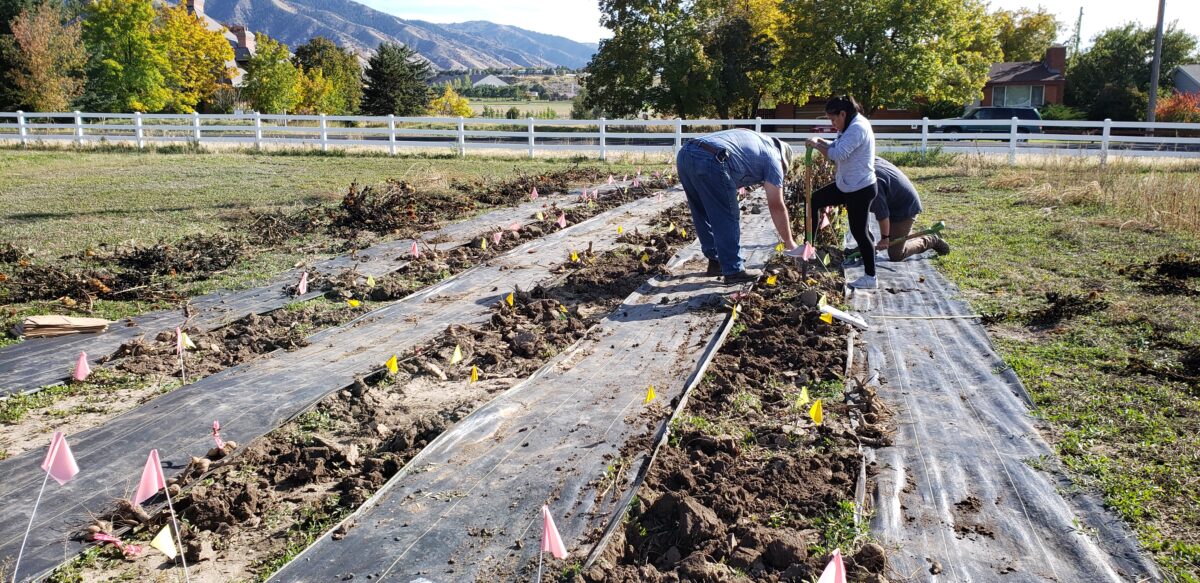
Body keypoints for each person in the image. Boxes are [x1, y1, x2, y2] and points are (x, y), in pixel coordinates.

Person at [676, 128, 799, 283]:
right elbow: (776, 205)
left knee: (701, 211)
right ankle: (733, 269)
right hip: (712, 158)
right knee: (727, 214)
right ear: (783, 161)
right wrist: (789, 242)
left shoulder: (757, 139)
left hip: (685, 154)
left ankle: (716, 262)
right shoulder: (773, 158)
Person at [802, 95, 879, 289]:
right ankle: (809, 246)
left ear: (843, 113)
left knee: (859, 232)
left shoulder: (858, 127)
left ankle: (871, 277)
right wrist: (820, 140)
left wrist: (816, 145)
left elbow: (837, 154)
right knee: (815, 200)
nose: (833, 123)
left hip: (860, 188)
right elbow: (836, 145)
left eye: (833, 119)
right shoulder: (849, 125)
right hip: (846, 185)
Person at [871, 157, 950, 261]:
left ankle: (932, 239)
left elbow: (883, 214)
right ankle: (903, 234)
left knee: (896, 255)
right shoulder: (865, 159)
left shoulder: (872, 182)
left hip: (904, 209)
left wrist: (884, 238)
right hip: (894, 200)